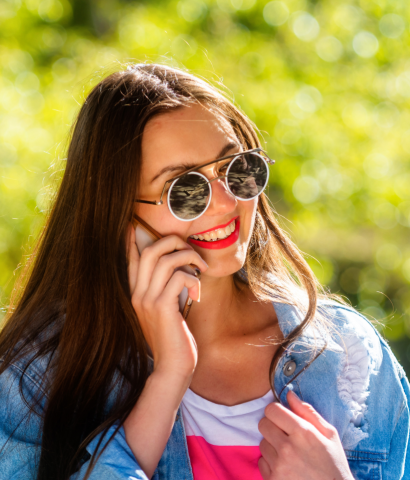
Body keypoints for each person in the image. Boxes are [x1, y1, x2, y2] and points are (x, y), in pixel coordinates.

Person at [0, 63, 408, 480]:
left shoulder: (349, 358)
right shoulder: (39, 377)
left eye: (236, 170)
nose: (226, 203)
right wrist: (168, 379)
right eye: (185, 189)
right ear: (117, 215)